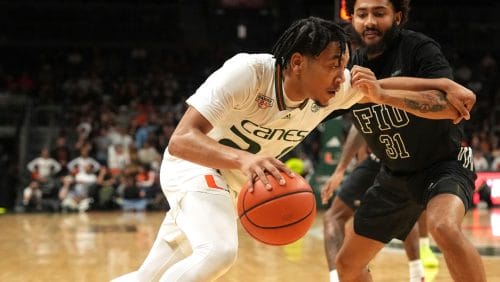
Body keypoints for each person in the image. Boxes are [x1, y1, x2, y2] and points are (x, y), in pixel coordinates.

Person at [112, 16, 473, 282]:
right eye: (334, 65)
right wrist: (245, 158)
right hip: (192, 166)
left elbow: (381, 84)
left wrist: (441, 81)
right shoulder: (246, 73)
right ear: (298, 62)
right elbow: (182, 140)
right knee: (218, 251)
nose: (342, 76)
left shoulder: (332, 89)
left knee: (146, 276)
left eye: (345, 66)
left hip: (234, 182)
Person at [322, 1, 486, 281]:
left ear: (397, 17)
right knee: (347, 265)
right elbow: (357, 124)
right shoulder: (351, 65)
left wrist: (383, 94)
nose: (369, 22)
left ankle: (418, 270)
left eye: (379, 13)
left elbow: (451, 107)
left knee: (443, 226)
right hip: (393, 175)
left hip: (443, 163)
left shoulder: (418, 49)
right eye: (361, 15)